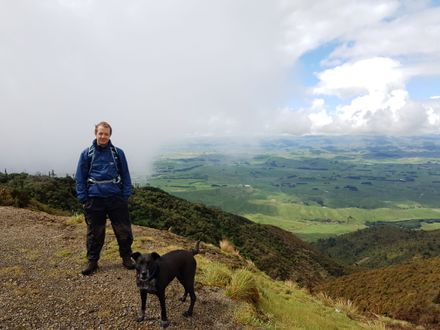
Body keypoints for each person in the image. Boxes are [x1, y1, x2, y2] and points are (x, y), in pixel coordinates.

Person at [75, 121, 135, 275]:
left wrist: (125, 194)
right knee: (95, 232)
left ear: (110, 135)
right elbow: (80, 177)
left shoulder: (117, 153)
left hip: (116, 197)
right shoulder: (86, 154)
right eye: (100, 133)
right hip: (94, 198)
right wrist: (83, 198)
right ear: (95, 134)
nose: (103, 136)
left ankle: (127, 257)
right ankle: (92, 261)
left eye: (106, 134)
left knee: (123, 229)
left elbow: (125, 174)